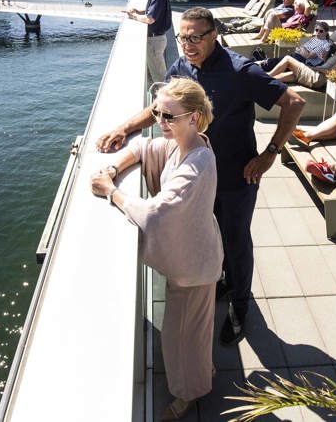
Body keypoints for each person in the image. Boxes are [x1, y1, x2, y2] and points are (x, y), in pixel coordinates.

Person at [96, 7, 305, 346]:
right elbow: (159, 108)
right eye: (183, 37)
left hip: (237, 178)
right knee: (211, 234)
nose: (188, 44)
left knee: (236, 241)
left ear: (213, 35)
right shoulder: (183, 67)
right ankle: (224, 280)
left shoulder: (240, 72)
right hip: (199, 175)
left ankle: (240, 307)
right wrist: (124, 128)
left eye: (196, 37)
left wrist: (269, 155)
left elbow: (293, 102)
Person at [91, 78, 223, 421]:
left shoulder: (194, 166)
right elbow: (143, 149)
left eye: (168, 116)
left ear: (193, 117)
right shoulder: (184, 143)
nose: (160, 121)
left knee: (181, 339)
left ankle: (190, 393)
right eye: (157, 112)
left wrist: (111, 191)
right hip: (199, 254)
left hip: (194, 266)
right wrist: (113, 166)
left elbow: (155, 212)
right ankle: (202, 373)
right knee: (195, 329)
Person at [263, 28, 336, 90]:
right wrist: (324, 58)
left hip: (318, 79)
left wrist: (314, 68)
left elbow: (333, 73)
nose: (335, 40)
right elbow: (328, 64)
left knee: (288, 59)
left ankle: (265, 76)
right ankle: (261, 80)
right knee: (282, 76)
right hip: (317, 74)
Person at [126, 0, 172, 84]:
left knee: (159, 77)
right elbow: (152, 12)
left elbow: (150, 19)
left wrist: (133, 16)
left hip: (154, 40)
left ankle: (164, 100)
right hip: (157, 39)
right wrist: (138, 11)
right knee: (157, 73)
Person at [256, 21, 331, 71]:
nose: (318, 33)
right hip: (298, 56)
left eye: (321, 31)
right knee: (277, 60)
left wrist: (302, 48)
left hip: (303, 61)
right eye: (316, 30)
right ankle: (258, 64)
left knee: (277, 62)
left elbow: (308, 55)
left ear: (326, 32)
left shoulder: (324, 44)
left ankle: (258, 65)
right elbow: (301, 48)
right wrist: (303, 48)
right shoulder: (315, 38)